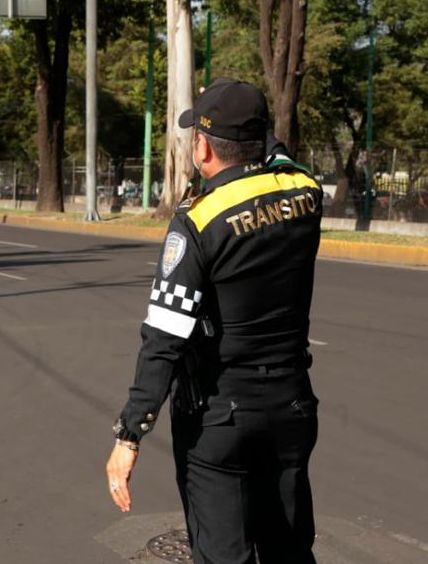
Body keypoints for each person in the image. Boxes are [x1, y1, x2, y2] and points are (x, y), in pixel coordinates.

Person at [106, 78, 323, 563]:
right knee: (290, 550)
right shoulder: (305, 193)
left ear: (202, 147)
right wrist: (246, 118)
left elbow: (165, 335)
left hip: (219, 420)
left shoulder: (198, 221)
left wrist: (130, 432)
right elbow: (276, 151)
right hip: (292, 407)